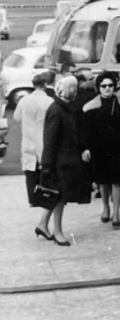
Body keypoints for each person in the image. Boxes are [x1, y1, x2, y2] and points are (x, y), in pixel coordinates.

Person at [40, 76, 90, 247]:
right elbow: (49, 140)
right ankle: (57, 232)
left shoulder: (63, 109)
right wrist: (47, 166)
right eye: (73, 89)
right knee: (60, 197)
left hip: (65, 160)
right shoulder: (56, 110)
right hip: (60, 161)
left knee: (57, 195)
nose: (75, 92)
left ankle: (42, 225)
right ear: (66, 90)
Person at [82, 71, 120, 229]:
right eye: (103, 86)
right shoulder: (90, 107)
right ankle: (106, 207)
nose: (107, 88)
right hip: (99, 148)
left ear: (115, 86)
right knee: (103, 181)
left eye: (110, 85)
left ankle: (116, 213)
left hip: (119, 147)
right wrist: (86, 148)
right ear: (98, 87)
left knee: (117, 181)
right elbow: (86, 131)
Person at [14, 71, 56, 241]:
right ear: (46, 85)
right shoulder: (49, 101)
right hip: (43, 143)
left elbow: (16, 117)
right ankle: (43, 214)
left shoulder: (24, 100)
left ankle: (35, 199)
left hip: (28, 143)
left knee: (31, 174)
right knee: (49, 179)